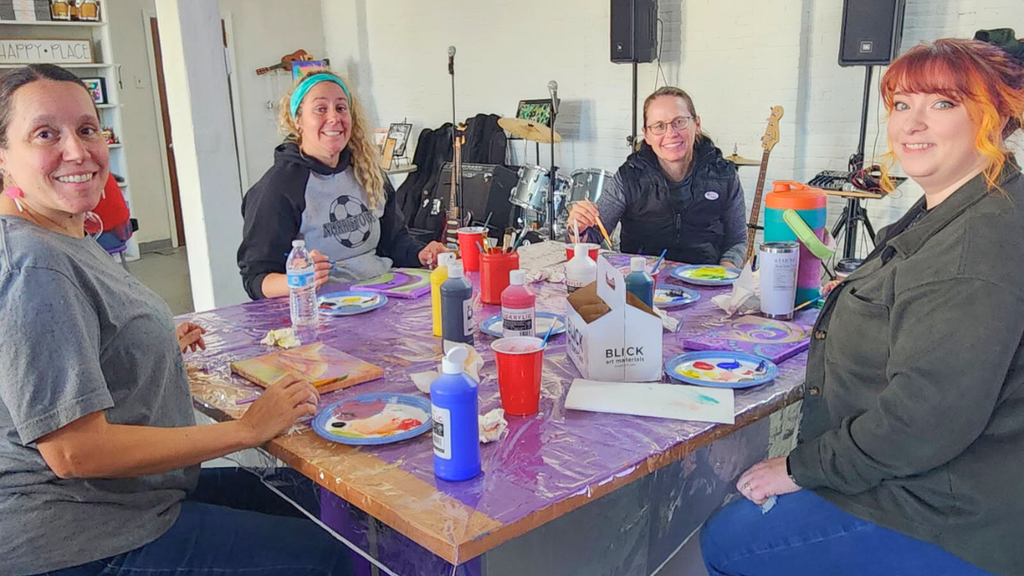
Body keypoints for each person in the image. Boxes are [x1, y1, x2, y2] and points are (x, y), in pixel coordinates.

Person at [0, 64, 352, 576]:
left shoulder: (69, 235)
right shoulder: (35, 262)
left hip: (139, 495)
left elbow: (79, 342)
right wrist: (248, 430)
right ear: (4, 157)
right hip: (78, 531)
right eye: (45, 134)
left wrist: (148, 345)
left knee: (313, 499)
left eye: (87, 129)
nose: (76, 152)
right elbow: (74, 451)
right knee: (328, 556)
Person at [700, 38, 1024, 576]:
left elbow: (924, 420)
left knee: (729, 543)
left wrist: (800, 470)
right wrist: (865, 291)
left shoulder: (975, 248)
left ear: (993, 119)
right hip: (940, 480)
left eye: (943, 104)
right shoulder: (968, 201)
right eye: (902, 105)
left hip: (949, 510)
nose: (912, 125)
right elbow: (926, 298)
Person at [238, 69, 446, 300]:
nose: (334, 118)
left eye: (340, 108)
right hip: (324, 311)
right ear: (297, 121)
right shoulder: (278, 189)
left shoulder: (368, 170)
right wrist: (298, 279)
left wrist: (422, 254)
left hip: (383, 298)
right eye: (320, 109)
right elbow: (256, 279)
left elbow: (395, 242)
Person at [566, 87, 747, 267]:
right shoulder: (628, 177)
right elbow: (593, 237)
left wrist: (723, 276)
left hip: (706, 280)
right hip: (641, 281)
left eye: (679, 122)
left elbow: (737, 241)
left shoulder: (725, 176)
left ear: (697, 124)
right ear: (647, 134)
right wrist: (578, 228)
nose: (670, 133)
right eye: (659, 126)